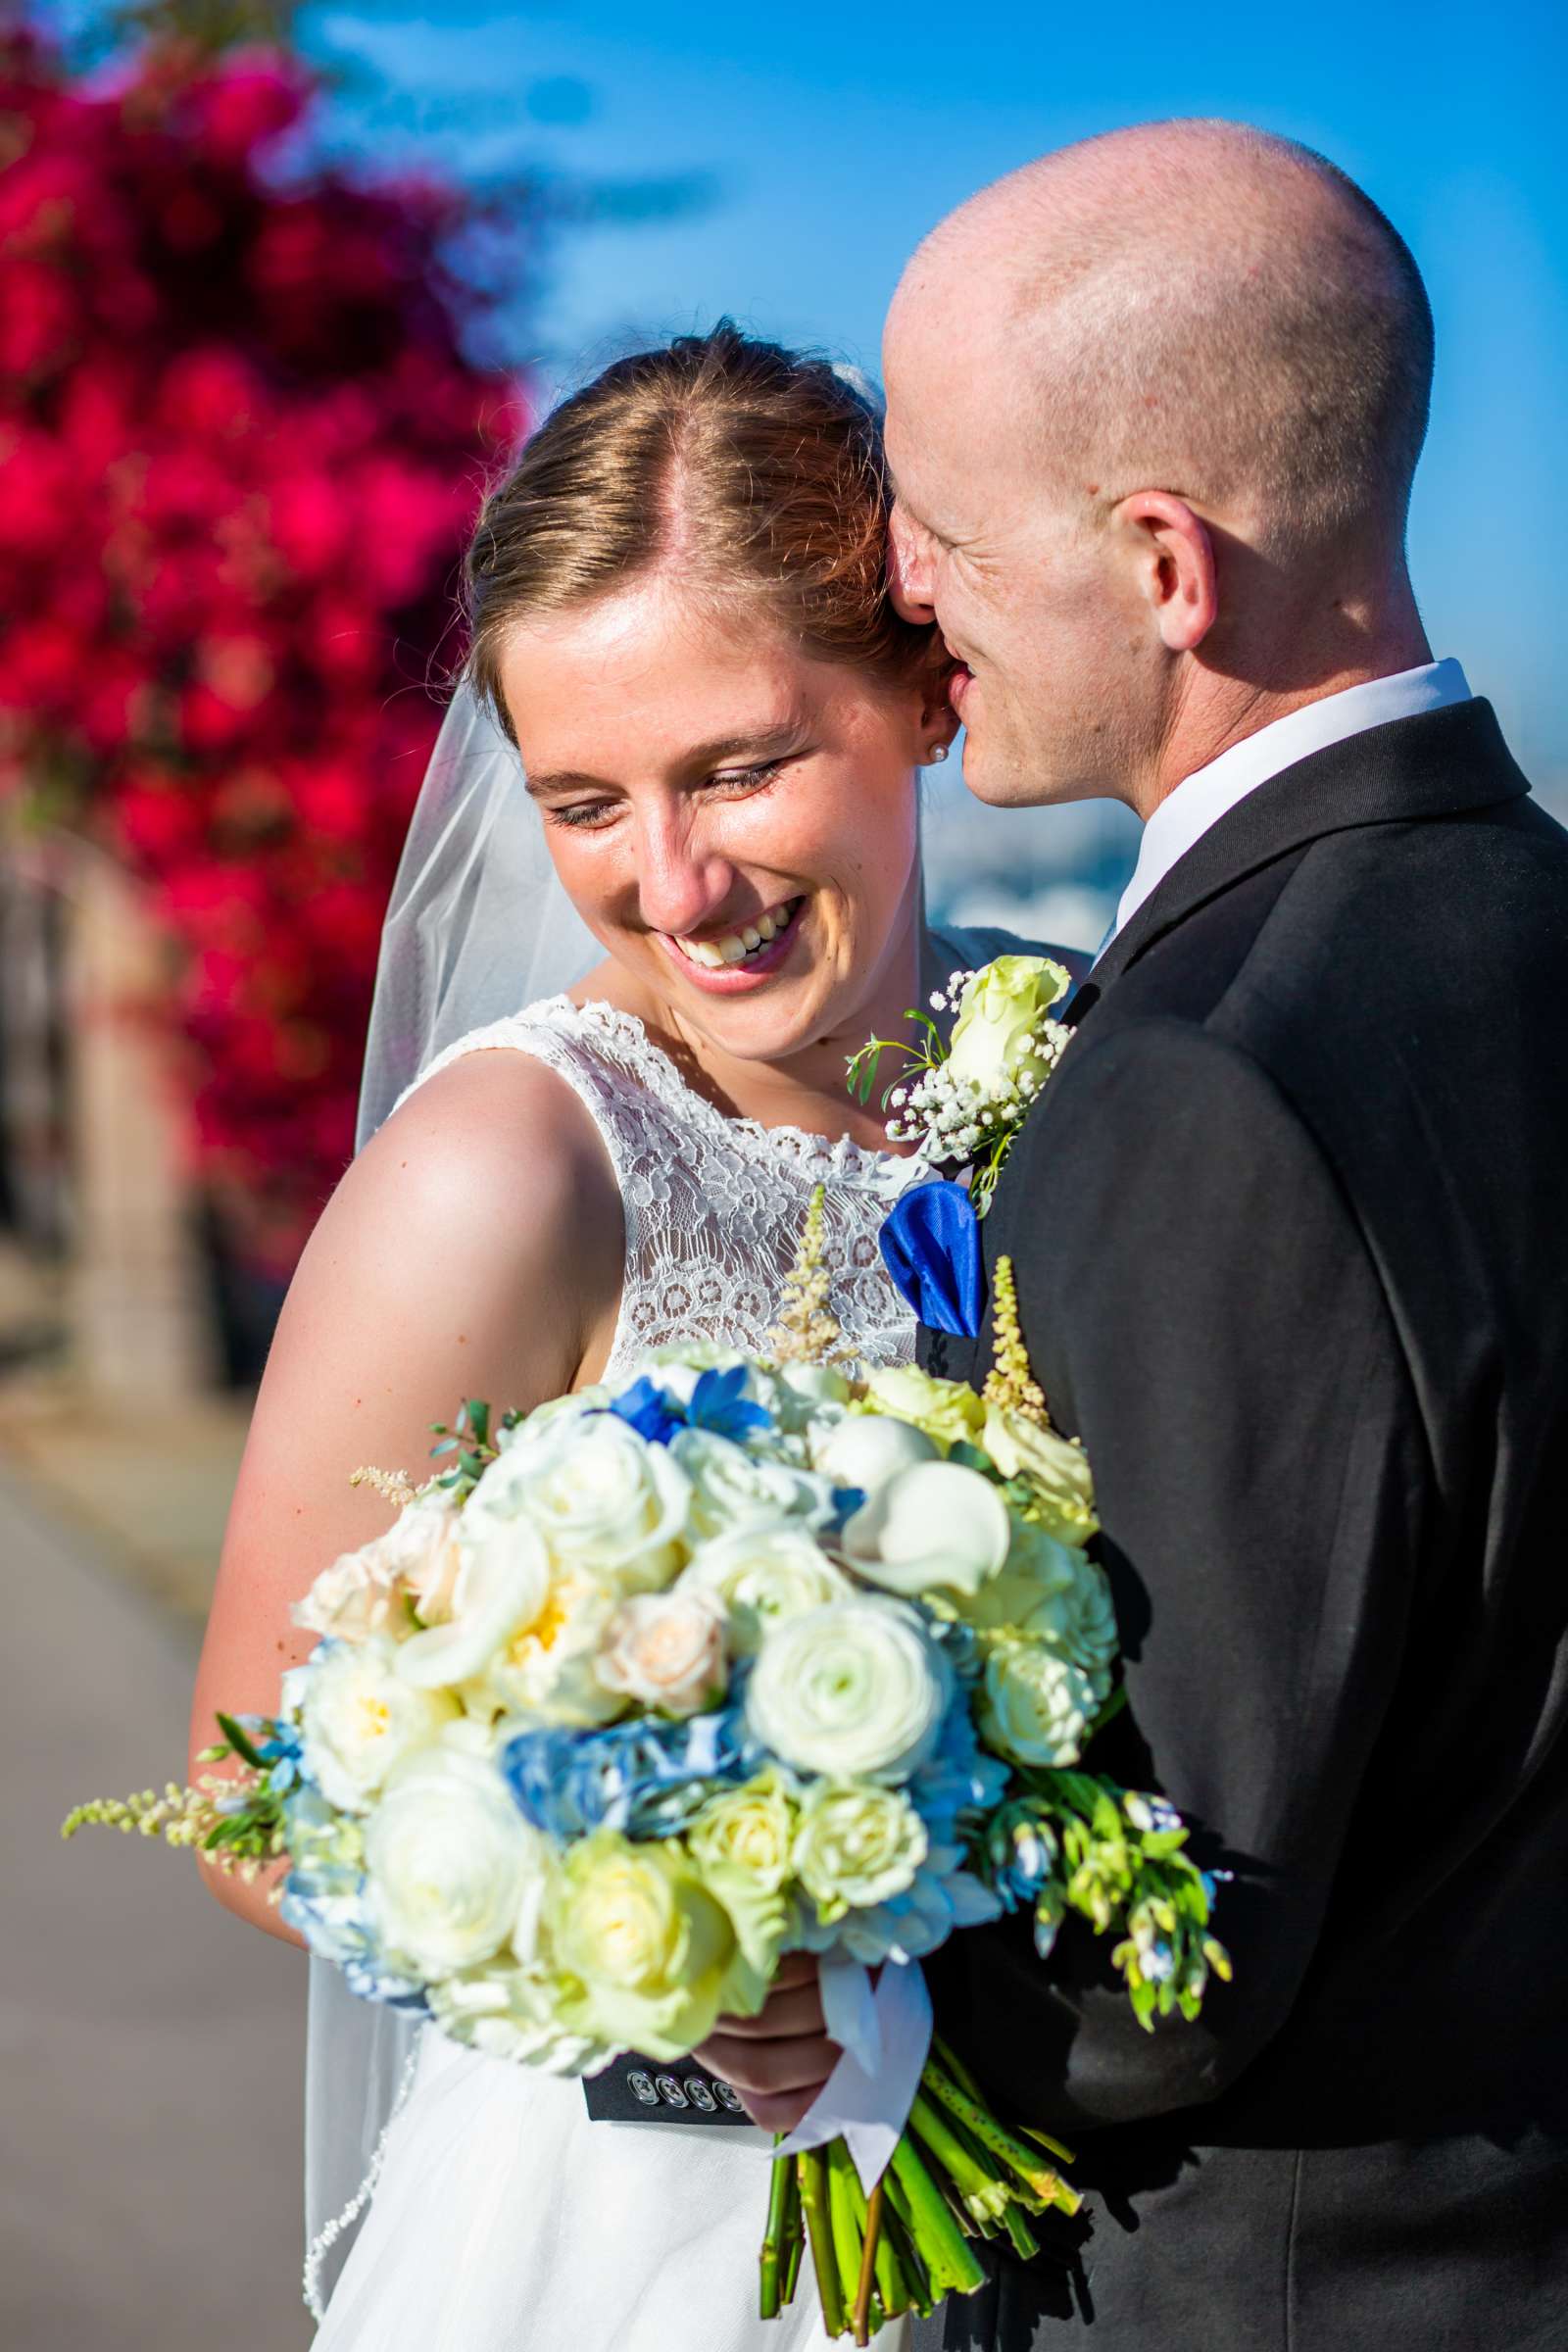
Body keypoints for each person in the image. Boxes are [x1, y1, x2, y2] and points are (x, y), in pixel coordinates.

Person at [188, 325, 1069, 2352]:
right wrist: (680, 1918)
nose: (669, 883)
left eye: (737, 767)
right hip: (640, 2239)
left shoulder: (1083, 1057)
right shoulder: (516, 1166)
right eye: (582, 797)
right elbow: (252, 1793)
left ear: (921, 695)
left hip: (1056, 2209)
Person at [870, 119, 1567, 2350]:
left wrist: (763, 1956)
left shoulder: (1201, 1078)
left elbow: (1147, 1974)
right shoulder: (1530, 924)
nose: (899, 583)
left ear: (1164, 565)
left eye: (941, 531)